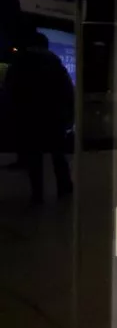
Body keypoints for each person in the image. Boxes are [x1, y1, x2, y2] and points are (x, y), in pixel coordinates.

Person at [1, 30, 74, 204]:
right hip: (54, 117)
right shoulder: (55, 63)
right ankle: (65, 187)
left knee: (34, 156)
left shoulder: (20, 63)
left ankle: (37, 194)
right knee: (58, 154)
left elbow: (10, 90)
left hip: (29, 117)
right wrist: (68, 116)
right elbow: (67, 91)